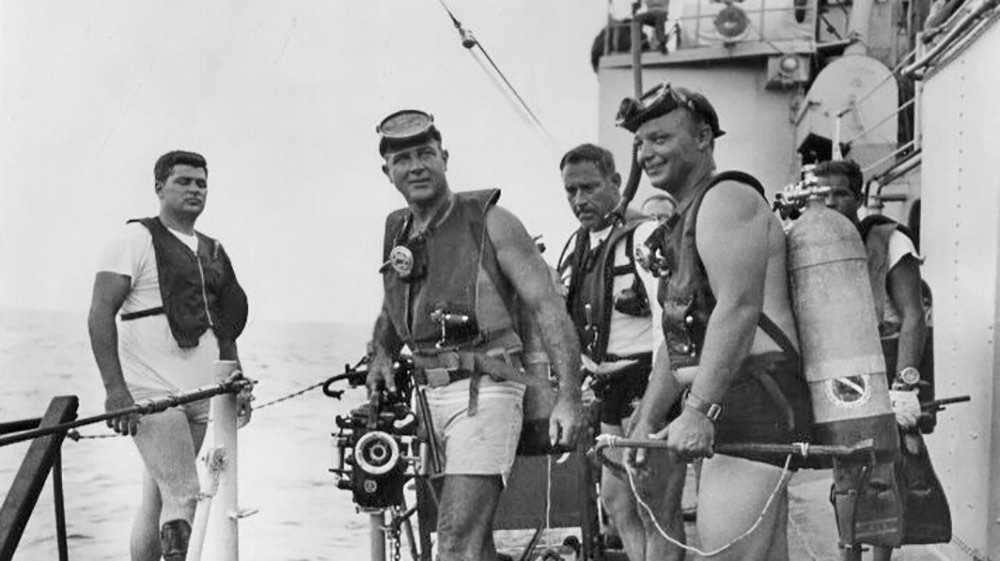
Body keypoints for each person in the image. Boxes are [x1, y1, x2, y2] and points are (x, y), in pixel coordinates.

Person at [367, 109, 583, 561]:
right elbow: (395, 303)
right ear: (387, 172)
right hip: (428, 401)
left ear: (444, 157)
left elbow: (548, 307)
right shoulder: (397, 230)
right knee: (475, 544)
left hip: (486, 393)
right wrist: (382, 353)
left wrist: (569, 397)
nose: (417, 166)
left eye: (425, 154)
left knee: (453, 540)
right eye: (403, 159)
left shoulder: (492, 220)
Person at [619, 83, 813, 561]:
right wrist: (646, 420)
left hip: (755, 399)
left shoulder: (726, 199)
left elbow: (739, 308)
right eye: (640, 143)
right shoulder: (684, 219)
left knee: (727, 551)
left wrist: (699, 410)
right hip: (727, 396)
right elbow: (677, 340)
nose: (646, 153)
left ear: (704, 137)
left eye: (661, 139)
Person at [88, 150, 249, 561]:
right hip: (152, 392)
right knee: (184, 494)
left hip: (201, 394)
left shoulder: (214, 250)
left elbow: (224, 326)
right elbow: (100, 314)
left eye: (201, 183)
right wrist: (115, 392)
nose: (195, 189)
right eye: (184, 181)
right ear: (159, 188)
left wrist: (237, 383)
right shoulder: (135, 238)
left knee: (158, 497)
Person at [556, 143, 685, 561]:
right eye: (571, 191)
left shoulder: (646, 237)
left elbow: (671, 324)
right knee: (616, 501)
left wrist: (653, 407)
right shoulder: (578, 247)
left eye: (589, 188)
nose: (580, 200)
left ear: (615, 182)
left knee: (656, 508)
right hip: (607, 388)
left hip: (647, 385)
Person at [815, 160, 948, 558]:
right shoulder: (814, 244)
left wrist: (904, 387)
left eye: (840, 193)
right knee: (846, 477)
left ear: (857, 197)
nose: (831, 201)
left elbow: (912, 316)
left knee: (885, 476)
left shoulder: (890, 240)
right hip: (842, 372)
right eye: (823, 194)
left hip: (888, 368)